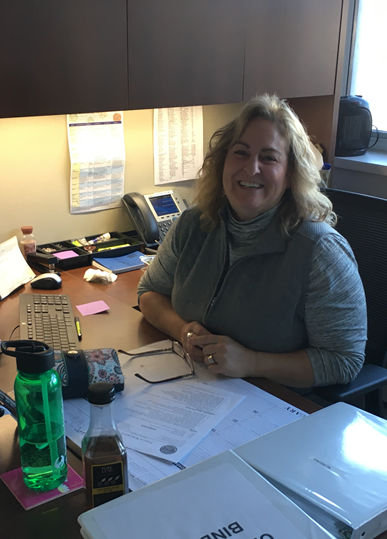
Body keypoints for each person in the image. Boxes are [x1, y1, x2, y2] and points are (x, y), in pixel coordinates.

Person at [137, 94, 366, 393]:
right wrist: (182, 330)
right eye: (240, 153)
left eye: (269, 158)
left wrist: (251, 362)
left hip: (273, 401)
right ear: (223, 162)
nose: (251, 168)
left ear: (290, 175)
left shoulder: (320, 251)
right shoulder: (194, 224)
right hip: (193, 387)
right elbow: (149, 293)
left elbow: (344, 361)